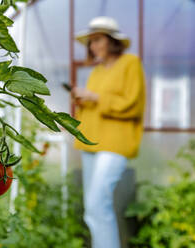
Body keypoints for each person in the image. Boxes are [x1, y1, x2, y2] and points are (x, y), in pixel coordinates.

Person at [72, 16, 146, 248]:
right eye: (90, 42)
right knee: (92, 209)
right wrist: (83, 99)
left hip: (116, 143)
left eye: (97, 40)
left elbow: (133, 104)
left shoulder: (131, 63)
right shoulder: (98, 71)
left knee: (96, 205)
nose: (93, 46)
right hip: (91, 141)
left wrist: (96, 97)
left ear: (112, 41)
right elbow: (97, 104)